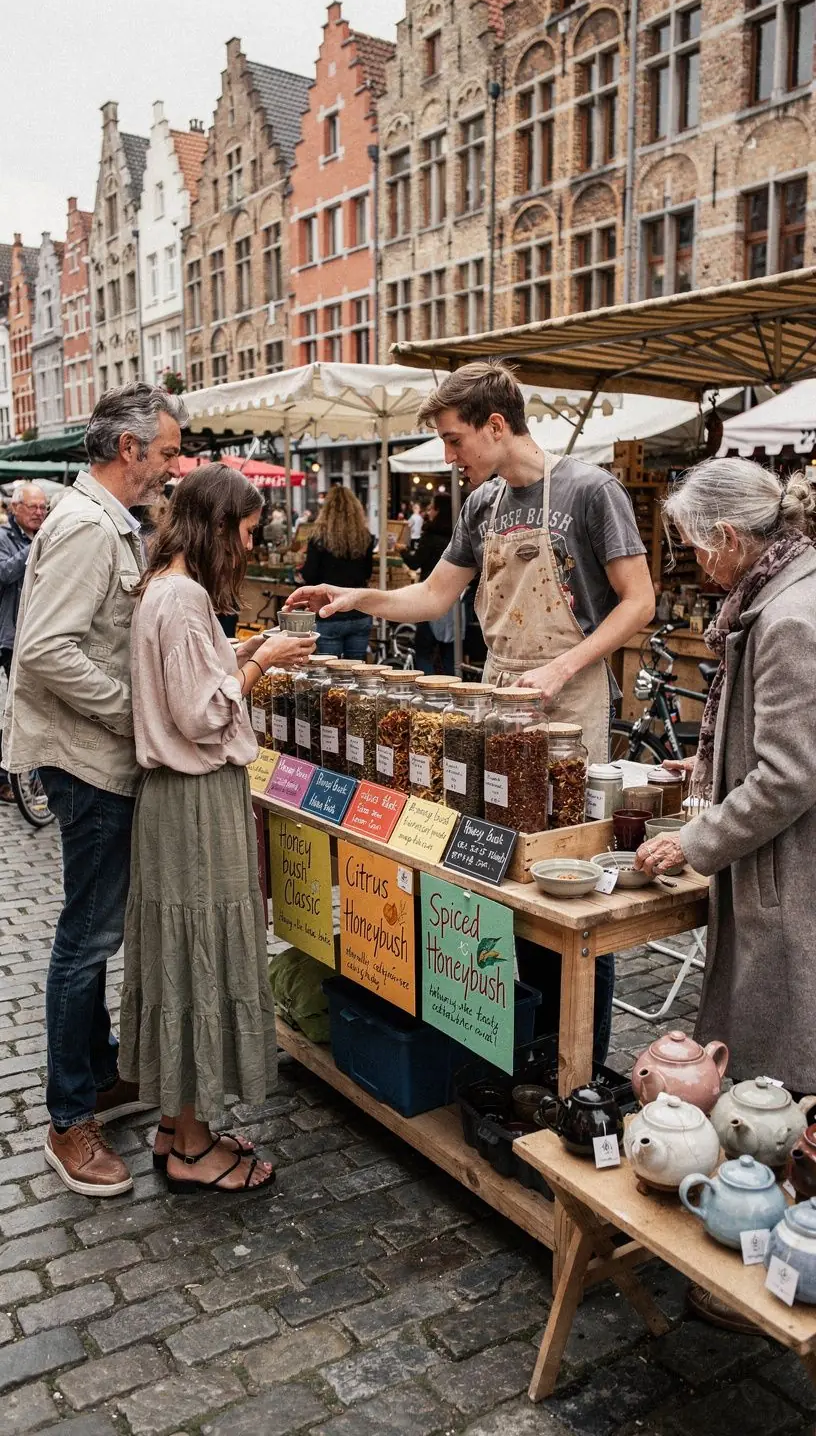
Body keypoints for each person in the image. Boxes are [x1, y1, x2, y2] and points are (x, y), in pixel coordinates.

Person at [286, 360, 655, 1061]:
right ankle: (523, 1045)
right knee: (508, 880)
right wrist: (355, 595)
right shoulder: (483, 506)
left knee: (572, 890)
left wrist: (565, 665)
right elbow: (432, 597)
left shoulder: (588, 490)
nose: (450, 459)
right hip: (498, 701)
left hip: (570, 707)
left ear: (495, 425)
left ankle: (579, 1058)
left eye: (456, 442)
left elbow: (640, 601)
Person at [635, 456, 816, 1332]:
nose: (693, 566)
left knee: (781, 1068)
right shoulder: (781, 591)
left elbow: (788, 774)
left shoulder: (785, 616)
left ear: (734, 540)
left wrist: (697, 836)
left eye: (694, 549)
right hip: (781, 858)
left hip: (792, 869)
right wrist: (705, 766)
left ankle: (775, 1262)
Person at [3, 384, 187, 1197]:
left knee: (95, 929)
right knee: (86, 938)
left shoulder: (103, 521)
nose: (173, 466)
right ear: (128, 450)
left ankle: (100, 1075)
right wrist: (135, 713)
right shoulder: (85, 527)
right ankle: (68, 1118)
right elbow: (44, 651)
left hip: (93, 757)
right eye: (168, 452)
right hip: (86, 762)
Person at [118, 465, 315, 1192]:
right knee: (200, 950)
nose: (247, 546)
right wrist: (261, 660)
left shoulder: (163, 590)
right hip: (196, 801)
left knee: (181, 953)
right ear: (217, 526)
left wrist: (235, 654)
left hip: (178, 800)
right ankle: (193, 1146)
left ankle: (178, 1121)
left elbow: (184, 682)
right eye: (246, 531)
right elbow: (201, 715)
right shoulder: (183, 594)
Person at [0, 482, 47, 801]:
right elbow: (4, 572)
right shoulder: (4, 538)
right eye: (33, 507)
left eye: (43, 508)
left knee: (33, 709)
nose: (39, 513)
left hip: (39, 633)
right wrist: (35, 547)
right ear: (15, 508)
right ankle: (6, 776)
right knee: (14, 708)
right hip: (10, 634)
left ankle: (29, 773)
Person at [298, 485, 375, 659]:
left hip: (329, 613)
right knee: (357, 674)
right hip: (359, 611)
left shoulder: (318, 539)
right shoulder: (366, 538)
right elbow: (367, 574)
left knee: (328, 675)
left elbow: (309, 575)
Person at [404, 494, 455, 674]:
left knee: (424, 648)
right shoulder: (457, 535)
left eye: (432, 507)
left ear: (439, 511)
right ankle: (451, 689)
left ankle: (429, 691)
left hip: (430, 595)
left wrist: (403, 551)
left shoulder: (431, 536)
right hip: (454, 597)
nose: (428, 511)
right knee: (450, 650)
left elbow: (415, 562)